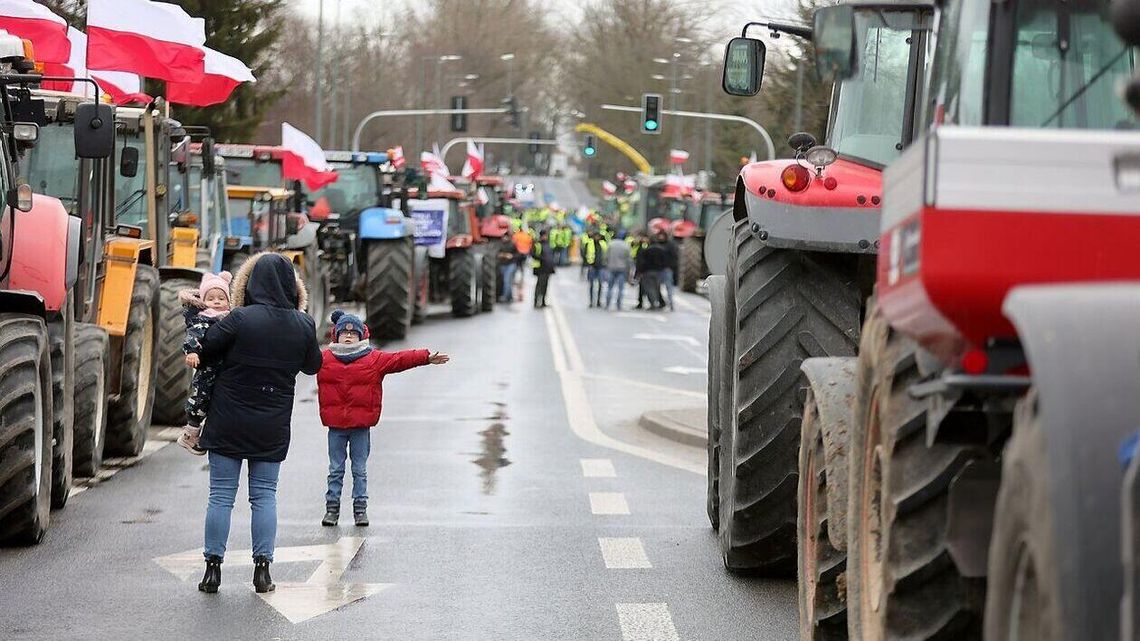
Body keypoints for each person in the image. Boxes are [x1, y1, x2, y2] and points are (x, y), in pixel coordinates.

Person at [194, 252, 322, 595]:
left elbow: (204, 349)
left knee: (220, 496)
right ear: (290, 287)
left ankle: (212, 571)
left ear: (251, 284)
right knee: (264, 496)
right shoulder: (303, 324)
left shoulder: (239, 319)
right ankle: (262, 572)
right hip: (271, 423)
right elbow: (313, 366)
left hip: (227, 420)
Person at [316, 310, 450, 527]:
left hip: (361, 427)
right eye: (344, 333)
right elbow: (298, 357)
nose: (349, 336)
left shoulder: (373, 359)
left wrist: (425, 357)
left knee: (359, 470)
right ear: (336, 335)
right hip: (336, 427)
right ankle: (332, 510)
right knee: (335, 470)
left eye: (354, 333)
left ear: (362, 336)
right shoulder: (323, 359)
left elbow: (399, 359)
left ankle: (360, 510)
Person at [177, 270, 233, 455]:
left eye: (221, 298)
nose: (216, 302)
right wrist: (192, 351)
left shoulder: (231, 317)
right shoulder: (203, 318)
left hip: (223, 369)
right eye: (211, 298)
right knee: (200, 399)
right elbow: (193, 335)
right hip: (207, 368)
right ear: (203, 301)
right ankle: (190, 434)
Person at [636, 236, 667, 310]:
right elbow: (665, 261)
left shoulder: (647, 250)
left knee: (649, 288)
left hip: (648, 271)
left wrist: (640, 271)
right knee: (657, 287)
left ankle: (653, 303)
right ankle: (660, 302)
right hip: (659, 272)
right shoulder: (662, 250)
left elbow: (643, 261)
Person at [604, 232, 632, 311]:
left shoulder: (611, 244)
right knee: (621, 288)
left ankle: (607, 304)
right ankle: (619, 305)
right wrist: (629, 271)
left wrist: (607, 265)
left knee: (610, 287)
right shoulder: (626, 246)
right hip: (622, 269)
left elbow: (606, 257)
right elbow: (628, 260)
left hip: (611, 268)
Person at [582, 231, 608, 308]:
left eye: (598, 236)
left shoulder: (603, 244)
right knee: (591, 285)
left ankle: (598, 301)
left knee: (600, 284)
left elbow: (606, 254)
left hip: (601, 266)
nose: (597, 238)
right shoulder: (589, 243)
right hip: (592, 266)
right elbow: (584, 253)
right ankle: (591, 301)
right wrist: (587, 263)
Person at [531, 230, 556, 308]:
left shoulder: (548, 245)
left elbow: (551, 256)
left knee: (545, 286)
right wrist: (543, 259)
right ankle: (536, 302)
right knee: (539, 286)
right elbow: (533, 254)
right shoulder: (538, 245)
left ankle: (543, 302)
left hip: (547, 268)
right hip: (540, 268)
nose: (545, 237)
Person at [658, 231, 678, 312]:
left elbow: (674, 257)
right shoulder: (657, 244)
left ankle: (671, 304)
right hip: (658, 269)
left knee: (669, 287)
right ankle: (661, 303)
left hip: (666, 269)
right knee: (657, 287)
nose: (661, 237)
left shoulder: (670, 245)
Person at [496, 234, 520, 303]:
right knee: (506, 281)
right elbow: (497, 254)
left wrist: (511, 256)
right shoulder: (500, 245)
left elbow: (518, 254)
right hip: (503, 265)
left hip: (511, 264)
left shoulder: (512, 245)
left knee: (507, 279)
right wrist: (502, 255)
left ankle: (505, 296)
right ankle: (510, 296)